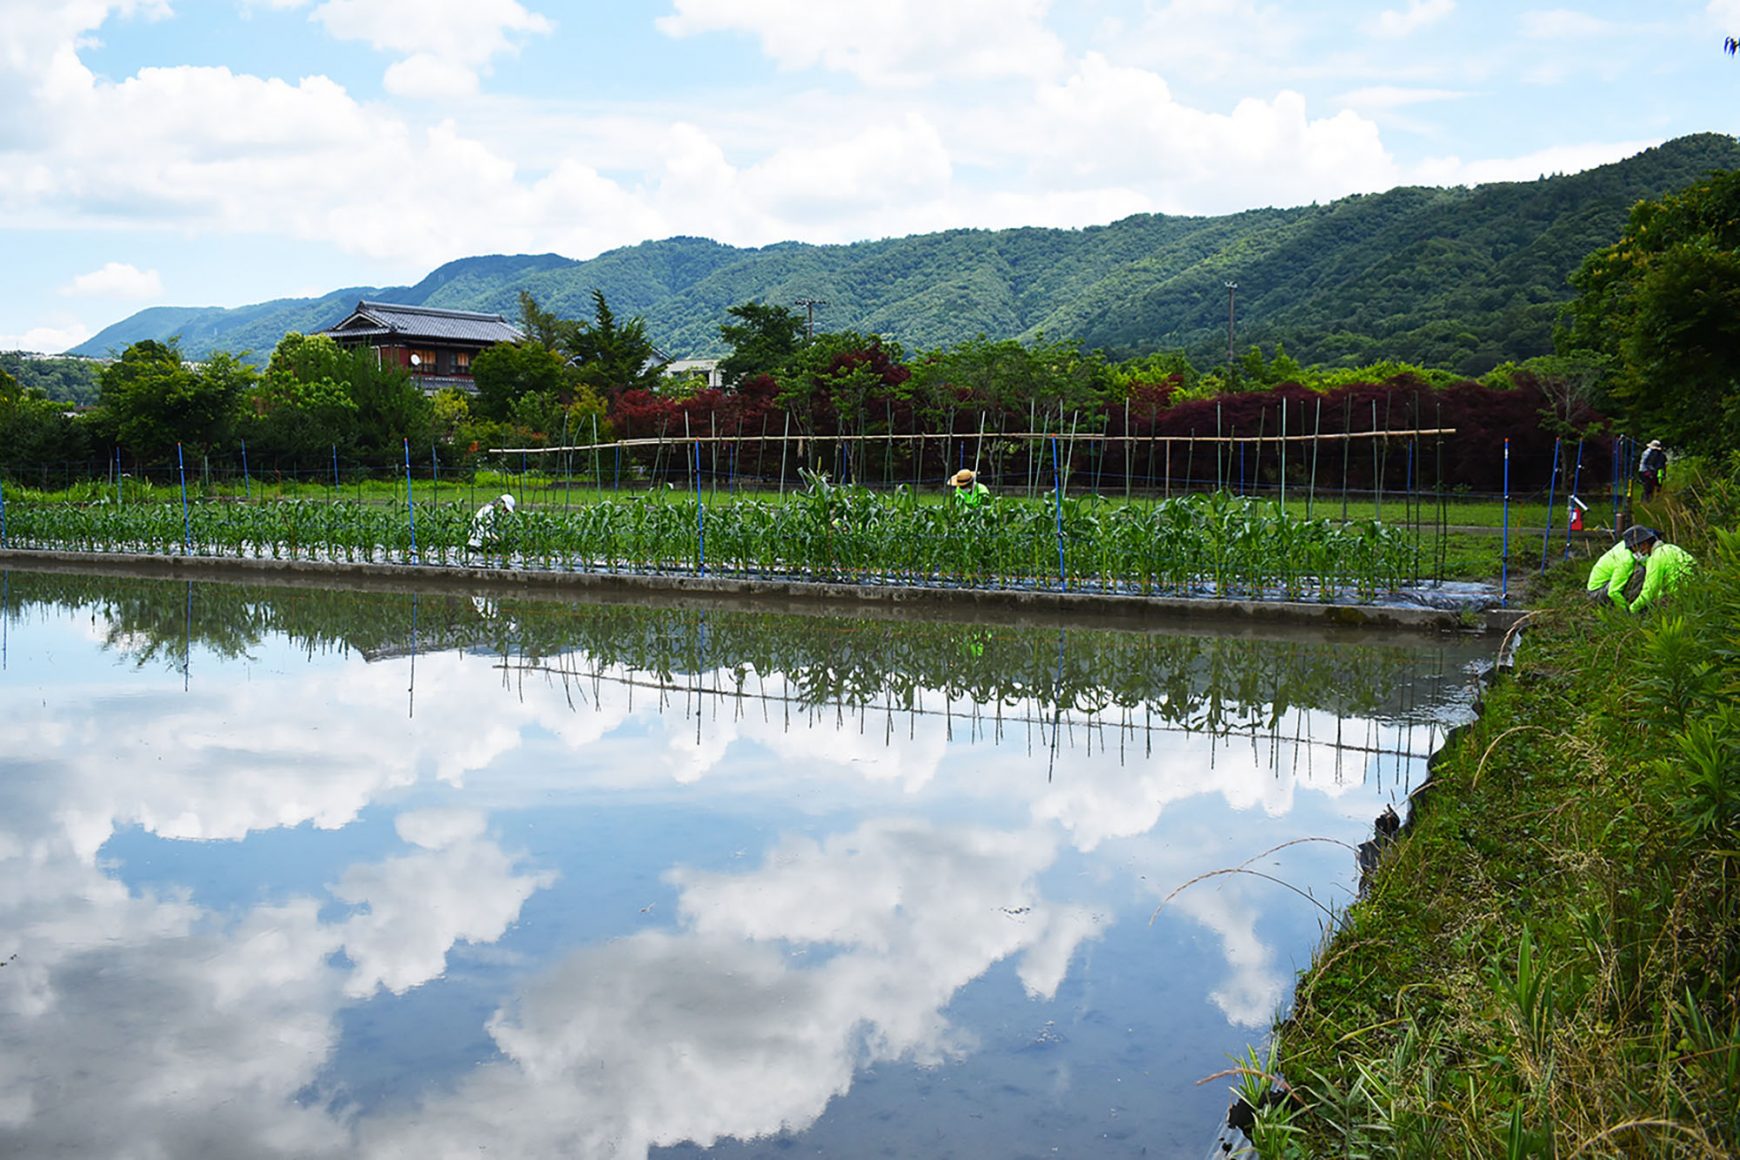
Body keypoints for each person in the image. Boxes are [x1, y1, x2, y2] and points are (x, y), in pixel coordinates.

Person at [1624, 526, 1695, 614]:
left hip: (1676, 597)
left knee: (1645, 610)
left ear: (1644, 544)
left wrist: (1631, 609)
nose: (1636, 554)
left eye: (1635, 550)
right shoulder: (1672, 548)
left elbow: (1649, 591)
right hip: (1693, 593)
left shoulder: (1655, 559)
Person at [1586, 527, 1644, 608]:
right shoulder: (1626, 560)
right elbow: (1613, 591)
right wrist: (1626, 610)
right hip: (1597, 593)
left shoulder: (1625, 544)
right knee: (1640, 571)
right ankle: (1630, 603)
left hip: (1602, 586)